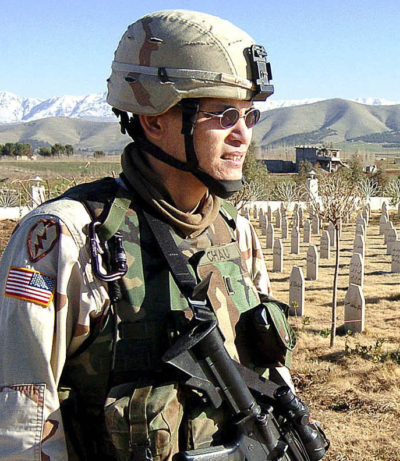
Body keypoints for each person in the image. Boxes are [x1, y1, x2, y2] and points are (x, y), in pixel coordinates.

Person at [0, 10, 305, 460]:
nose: (244, 135)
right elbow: (22, 427)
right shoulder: (67, 238)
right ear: (154, 119)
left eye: (249, 115)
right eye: (223, 114)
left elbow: (264, 373)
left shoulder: (233, 229)